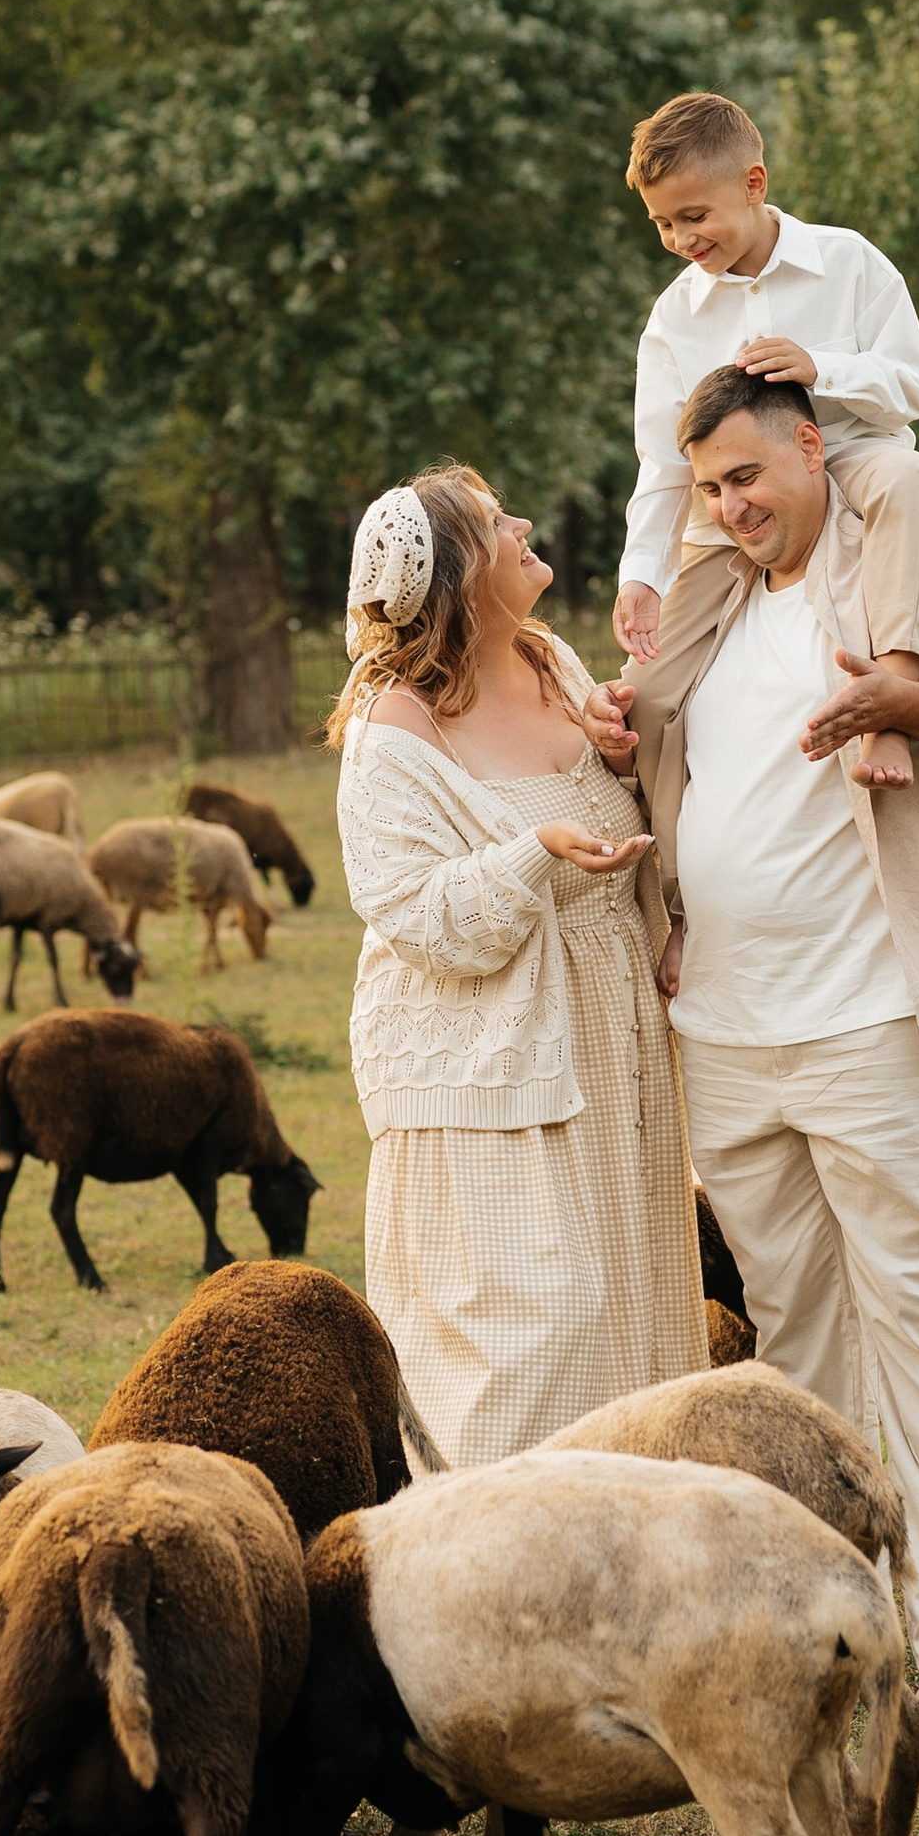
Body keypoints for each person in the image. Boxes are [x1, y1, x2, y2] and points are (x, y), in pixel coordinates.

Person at [632, 367, 919, 1730]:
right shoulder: (711, 599)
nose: (731, 505)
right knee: (795, 1339)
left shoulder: (909, 566)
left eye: (750, 476)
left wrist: (917, 710)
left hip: (873, 1017)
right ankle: (838, 1609)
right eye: (709, 485)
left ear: (815, 449)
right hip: (723, 1028)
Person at [331, 466, 709, 1467]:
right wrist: (532, 851)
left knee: (631, 1325)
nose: (526, 524)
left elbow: (620, 820)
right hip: (492, 1079)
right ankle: (496, 1576)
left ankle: (629, 1571)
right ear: (459, 574)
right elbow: (412, 909)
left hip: (610, 1043)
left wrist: (624, 761)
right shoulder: (390, 725)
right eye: (500, 523)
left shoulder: (548, 658)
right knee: (533, 1341)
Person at [613, 89, 919, 790]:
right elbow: (660, 460)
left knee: (910, 477)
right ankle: (661, 869)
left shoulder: (849, 262)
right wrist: (641, 576)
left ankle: (891, 704)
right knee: (643, 699)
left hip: (849, 458)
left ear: (754, 185)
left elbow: (912, 385)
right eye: (662, 225)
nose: (681, 240)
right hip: (730, 505)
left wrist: (821, 367)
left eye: (694, 216)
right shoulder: (673, 318)